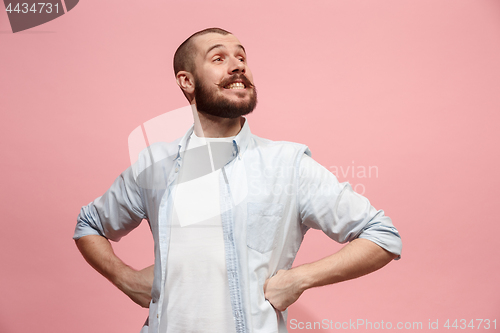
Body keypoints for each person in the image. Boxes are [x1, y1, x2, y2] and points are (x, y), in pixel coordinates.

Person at [74, 27, 402, 333]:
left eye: (242, 57)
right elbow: (90, 225)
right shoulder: (154, 165)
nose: (237, 66)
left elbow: (381, 236)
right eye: (219, 58)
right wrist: (125, 278)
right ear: (186, 81)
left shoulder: (288, 165)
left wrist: (300, 278)